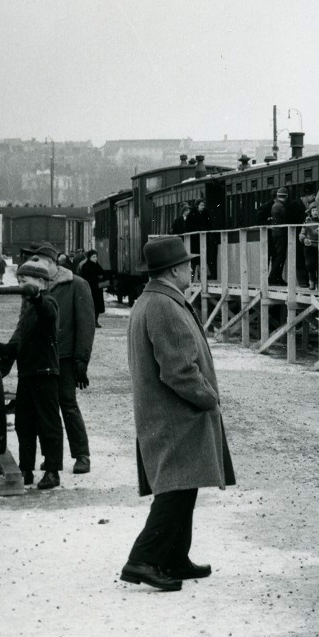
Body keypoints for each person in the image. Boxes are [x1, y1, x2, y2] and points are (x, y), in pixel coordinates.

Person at [121, 236, 236, 592]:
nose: (192, 268)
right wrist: (207, 397)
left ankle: (174, 557)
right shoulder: (164, 306)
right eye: (188, 264)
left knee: (183, 487)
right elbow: (178, 369)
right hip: (176, 416)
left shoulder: (153, 300)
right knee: (174, 491)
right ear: (173, 270)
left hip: (167, 416)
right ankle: (142, 559)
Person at [23, 244, 97, 476]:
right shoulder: (34, 286)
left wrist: (81, 360)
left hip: (64, 356)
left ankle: (81, 454)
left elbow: (86, 325)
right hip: (44, 358)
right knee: (46, 409)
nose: (39, 267)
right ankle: (51, 458)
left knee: (67, 404)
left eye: (43, 263)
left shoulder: (77, 285)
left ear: (54, 264)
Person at [0, 263, 63, 489]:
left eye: (26, 281)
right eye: (20, 281)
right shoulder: (26, 309)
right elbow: (18, 340)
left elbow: (49, 314)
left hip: (44, 373)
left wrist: (36, 298)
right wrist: (2, 348)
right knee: (24, 424)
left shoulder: (47, 301)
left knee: (48, 424)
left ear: (42, 283)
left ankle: (52, 471)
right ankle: (26, 469)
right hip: (28, 374)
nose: (21, 286)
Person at [267, 188, 292, 286]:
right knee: (280, 256)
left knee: (279, 256)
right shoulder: (281, 206)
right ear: (286, 196)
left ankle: (276, 277)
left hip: (276, 233)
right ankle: (273, 277)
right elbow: (287, 217)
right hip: (281, 233)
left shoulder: (275, 205)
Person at [78, 250, 107, 318]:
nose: (95, 258)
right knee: (91, 305)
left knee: (97, 306)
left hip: (97, 289)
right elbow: (84, 277)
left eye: (96, 257)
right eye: (93, 257)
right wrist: (96, 278)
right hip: (90, 288)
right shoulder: (86, 266)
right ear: (89, 258)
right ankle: (91, 320)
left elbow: (103, 274)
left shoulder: (97, 265)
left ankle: (96, 321)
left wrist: (101, 277)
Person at [300, 206, 319, 289]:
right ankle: (312, 281)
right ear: (310, 212)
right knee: (310, 264)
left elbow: (318, 233)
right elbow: (302, 233)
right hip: (310, 246)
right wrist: (304, 238)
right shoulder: (306, 221)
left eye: (317, 210)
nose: (315, 212)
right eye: (313, 210)